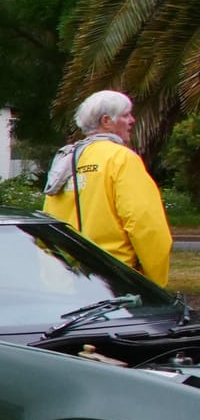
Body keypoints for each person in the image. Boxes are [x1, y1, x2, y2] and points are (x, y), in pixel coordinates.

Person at [43, 89, 171, 286]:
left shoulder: (65, 161)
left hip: (65, 281)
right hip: (114, 281)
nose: (132, 120)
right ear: (106, 121)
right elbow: (146, 227)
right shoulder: (121, 159)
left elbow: (47, 223)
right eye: (126, 115)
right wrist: (155, 285)